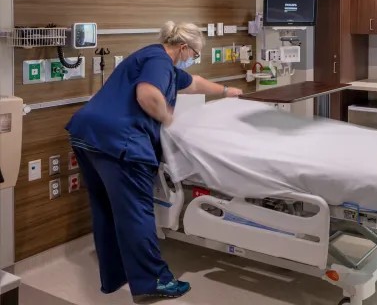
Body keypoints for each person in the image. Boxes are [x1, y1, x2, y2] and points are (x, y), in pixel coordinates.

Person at [65, 21, 244, 300]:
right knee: (136, 211)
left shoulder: (151, 57)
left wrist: (225, 90)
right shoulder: (160, 61)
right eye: (194, 55)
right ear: (183, 47)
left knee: (107, 208)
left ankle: (116, 272)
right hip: (120, 144)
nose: (192, 60)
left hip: (87, 135)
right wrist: (169, 121)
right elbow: (148, 94)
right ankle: (153, 281)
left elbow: (193, 82)